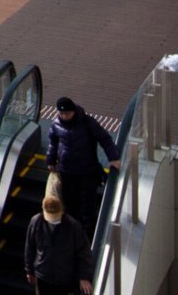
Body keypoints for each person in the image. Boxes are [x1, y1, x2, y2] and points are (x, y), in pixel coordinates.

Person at [47, 96, 122, 237]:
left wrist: (113, 158)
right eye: (61, 113)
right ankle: (72, 233)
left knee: (88, 205)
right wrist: (51, 161)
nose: (64, 116)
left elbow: (105, 139)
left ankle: (90, 234)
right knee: (70, 204)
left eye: (67, 113)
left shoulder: (87, 123)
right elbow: (53, 144)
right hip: (67, 172)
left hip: (87, 171)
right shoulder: (56, 124)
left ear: (74, 111)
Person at [25, 194, 95, 295]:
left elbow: (84, 252)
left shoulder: (73, 226)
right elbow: (30, 247)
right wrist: (29, 270)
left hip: (65, 278)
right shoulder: (36, 222)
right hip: (43, 276)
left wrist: (84, 277)